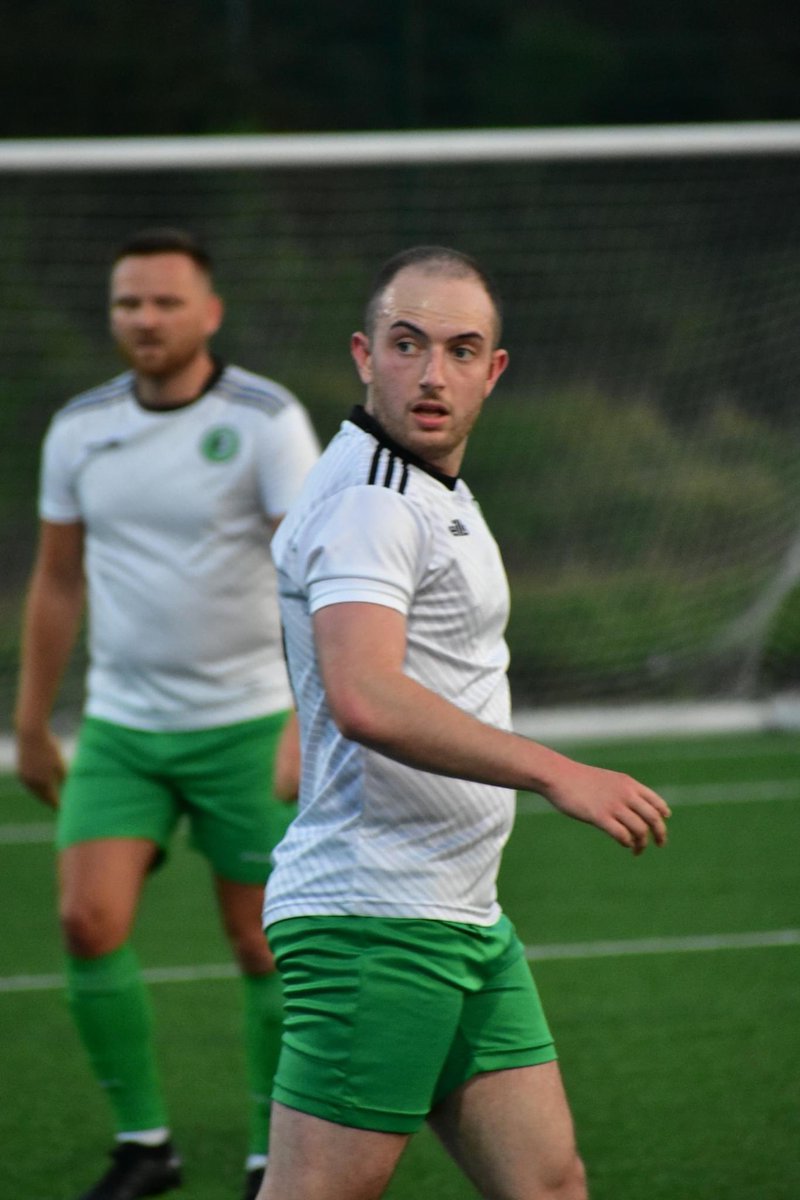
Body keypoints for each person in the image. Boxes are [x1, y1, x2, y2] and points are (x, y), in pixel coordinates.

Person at [261, 245, 671, 1200]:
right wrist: (554, 771)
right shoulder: (374, 497)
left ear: (495, 370)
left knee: (549, 1185)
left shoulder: (428, 485)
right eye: (408, 345)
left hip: (459, 913)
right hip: (378, 918)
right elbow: (366, 693)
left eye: (459, 348)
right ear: (365, 355)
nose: (431, 372)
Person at [14, 228, 320, 1200]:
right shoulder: (78, 427)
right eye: (127, 304)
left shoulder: (267, 419)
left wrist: (301, 717)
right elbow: (56, 580)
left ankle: (277, 1152)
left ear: (209, 313)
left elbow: (314, 578)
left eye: (164, 302)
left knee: (261, 945)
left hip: (247, 724)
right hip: (121, 728)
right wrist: (29, 720)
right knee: (85, 920)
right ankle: (145, 1145)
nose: (144, 320)